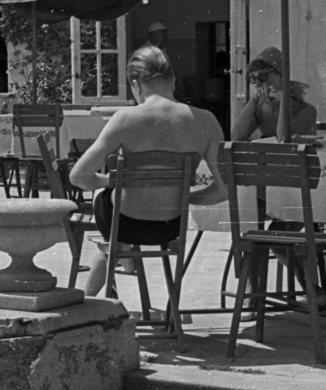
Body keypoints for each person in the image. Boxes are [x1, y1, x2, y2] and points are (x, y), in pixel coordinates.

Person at [69, 46, 226, 296]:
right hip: (171, 225)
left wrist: (110, 180)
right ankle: (115, 264)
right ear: (173, 81)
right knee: (115, 221)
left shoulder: (125, 119)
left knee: (104, 200)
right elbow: (223, 190)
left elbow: (78, 177)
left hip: (126, 224)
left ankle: (98, 286)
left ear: (135, 84)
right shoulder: (206, 121)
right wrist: (183, 198)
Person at [231, 47, 317, 140]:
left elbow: (283, 140)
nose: (257, 84)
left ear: (281, 75)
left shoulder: (305, 110)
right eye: (252, 79)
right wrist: (254, 99)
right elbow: (235, 138)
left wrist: (284, 98)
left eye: (262, 77)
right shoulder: (261, 109)